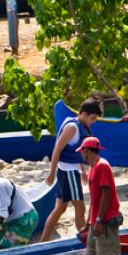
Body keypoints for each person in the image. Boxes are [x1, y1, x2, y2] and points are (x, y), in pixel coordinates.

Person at [39, 102, 102, 242]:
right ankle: (84, 240)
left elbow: (74, 151)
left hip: (70, 170)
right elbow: (57, 149)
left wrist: (82, 170)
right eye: (92, 118)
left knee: (60, 208)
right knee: (80, 207)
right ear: (84, 114)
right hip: (68, 172)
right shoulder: (72, 127)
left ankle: (43, 241)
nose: (93, 122)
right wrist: (51, 172)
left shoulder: (78, 125)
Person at [78, 136, 122, 255]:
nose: (81, 155)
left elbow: (106, 194)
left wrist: (98, 221)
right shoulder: (93, 167)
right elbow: (95, 199)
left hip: (105, 222)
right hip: (96, 222)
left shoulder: (102, 166)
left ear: (87, 151)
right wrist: (89, 223)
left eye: (82, 151)